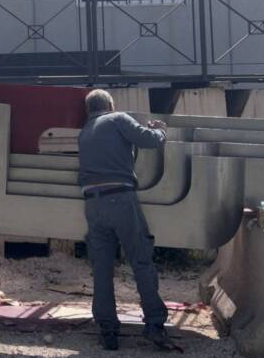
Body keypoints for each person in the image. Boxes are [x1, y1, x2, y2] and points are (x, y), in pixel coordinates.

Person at [77, 88, 172, 351]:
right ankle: (154, 326)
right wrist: (161, 131)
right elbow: (149, 140)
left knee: (103, 269)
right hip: (120, 199)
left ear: (89, 110)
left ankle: (108, 331)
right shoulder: (118, 118)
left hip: (93, 205)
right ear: (110, 104)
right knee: (141, 261)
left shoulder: (85, 132)